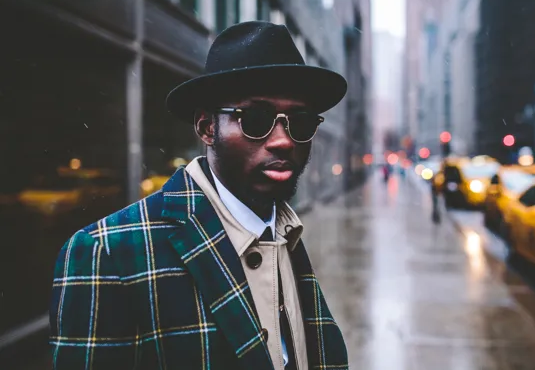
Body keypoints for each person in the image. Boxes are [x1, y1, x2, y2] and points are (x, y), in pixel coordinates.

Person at [50, 21, 349, 370]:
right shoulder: (106, 254)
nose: (283, 140)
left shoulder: (285, 233)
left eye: (299, 122)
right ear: (208, 127)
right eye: (255, 118)